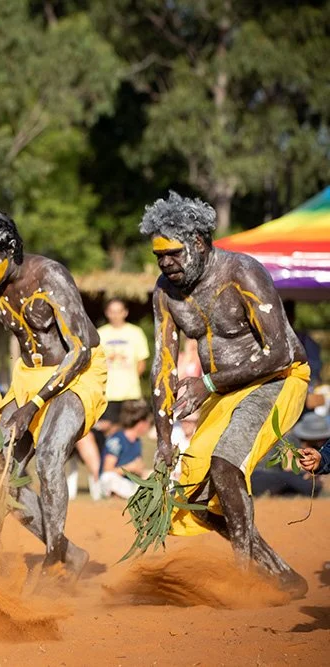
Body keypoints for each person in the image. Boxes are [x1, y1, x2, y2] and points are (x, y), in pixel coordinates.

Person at [143, 191, 310, 597]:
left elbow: (281, 352)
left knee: (224, 464)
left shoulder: (243, 273)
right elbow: (162, 367)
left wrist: (210, 384)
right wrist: (164, 439)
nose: (166, 263)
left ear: (199, 242)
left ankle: (243, 581)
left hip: (277, 379)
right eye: (159, 255)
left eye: (173, 253)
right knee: (193, 498)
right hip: (222, 391)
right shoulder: (166, 292)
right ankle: (279, 573)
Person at [0, 210, 107, 579]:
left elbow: (80, 350)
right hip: (27, 377)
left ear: (11, 251)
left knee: (47, 457)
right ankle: (67, 551)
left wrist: (32, 407)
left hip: (77, 373)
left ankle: (55, 561)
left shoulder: (49, 276)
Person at [98, 400, 152, 499]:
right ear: (141, 423)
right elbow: (107, 469)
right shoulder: (117, 439)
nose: (148, 426)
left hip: (128, 482)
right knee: (108, 478)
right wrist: (130, 468)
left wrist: (141, 470)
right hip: (114, 480)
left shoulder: (137, 441)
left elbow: (138, 466)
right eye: (148, 423)